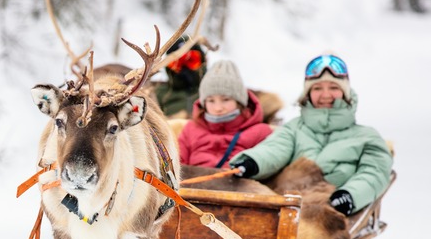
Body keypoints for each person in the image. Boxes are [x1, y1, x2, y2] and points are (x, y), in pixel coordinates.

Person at [229, 53, 393, 215]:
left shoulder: (367, 138)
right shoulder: (293, 129)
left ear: (346, 92)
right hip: (288, 209)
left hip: (330, 214)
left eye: (334, 88)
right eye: (317, 88)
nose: (326, 95)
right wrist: (252, 162)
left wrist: (349, 195)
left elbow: (374, 173)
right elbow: (274, 149)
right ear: (307, 93)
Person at [177, 60, 273, 168]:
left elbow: (269, 161)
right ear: (203, 103)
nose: (218, 108)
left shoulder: (260, 132)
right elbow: (178, 165)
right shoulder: (190, 129)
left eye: (225, 100)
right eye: (211, 101)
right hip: (192, 183)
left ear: (239, 102)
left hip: (239, 183)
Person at [155, 35, 207, 119]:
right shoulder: (158, 94)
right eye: (177, 63)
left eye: (191, 60)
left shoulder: (212, 93)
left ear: (202, 62)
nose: (185, 68)